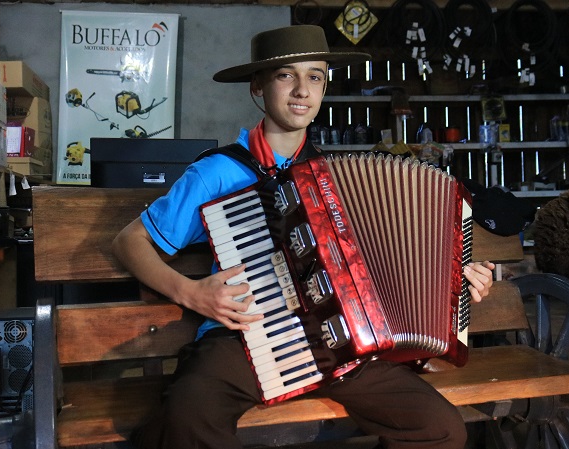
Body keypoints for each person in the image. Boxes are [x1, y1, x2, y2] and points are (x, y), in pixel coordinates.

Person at [112, 24, 496, 449]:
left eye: (315, 76)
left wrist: (453, 279)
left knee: (439, 428)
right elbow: (129, 241)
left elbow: (386, 265)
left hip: (341, 343)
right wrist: (192, 294)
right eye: (285, 75)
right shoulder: (217, 172)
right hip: (245, 337)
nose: (301, 90)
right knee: (188, 414)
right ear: (258, 86)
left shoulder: (339, 180)